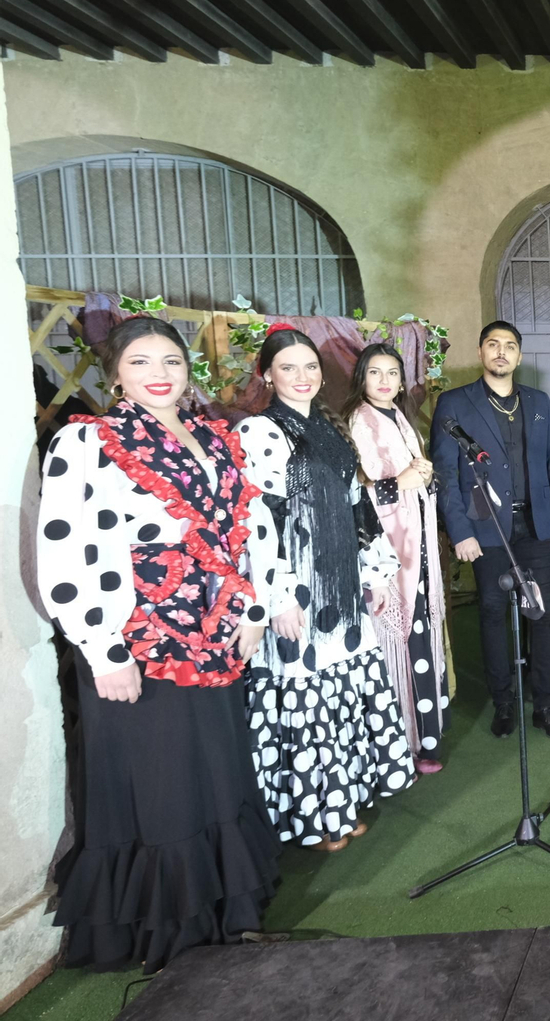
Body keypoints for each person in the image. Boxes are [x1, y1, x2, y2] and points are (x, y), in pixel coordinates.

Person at [35, 316, 278, 972]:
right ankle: (174, 937)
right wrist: (101, 647)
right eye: (140, 361)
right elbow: (60, 554)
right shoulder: (89, 442)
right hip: (137, 643)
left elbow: (247, 529)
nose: (159, 372)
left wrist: (256, 605)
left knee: (216, 775)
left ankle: (229, 918)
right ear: (115, 373)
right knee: (164, 787)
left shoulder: (215, 435)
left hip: (217, 636)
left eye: (170, 358)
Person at [239, 325, 414, 853]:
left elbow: (358, 506)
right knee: (307, 703)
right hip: (298, 591)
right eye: (288, 368)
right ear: (266, 375)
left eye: (310, 366)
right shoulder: (260, 432)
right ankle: (314, 819)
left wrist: (379, 570)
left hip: (343, 583)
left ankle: (342, 803)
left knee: (342, 698)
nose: (302, 377)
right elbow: (257, 522)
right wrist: (278, 596)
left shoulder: (331, 427)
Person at [431, 321, 550, 741]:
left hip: (536, 527)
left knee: (542, 615)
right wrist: (460, 532)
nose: (501, 352)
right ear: (480, 352)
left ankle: (545, 704)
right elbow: (446, 475)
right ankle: (504, 701)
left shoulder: (539, 402)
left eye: (509, 346)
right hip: (485, 529)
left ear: (519, 356)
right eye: (493, 344)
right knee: (493, 613)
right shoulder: (455, 404)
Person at [344, 342, 450, 774]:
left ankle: (426, 735)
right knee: (402, 638)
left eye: (392, 372)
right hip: (387, 551)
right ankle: (401, 741)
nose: (385, 381)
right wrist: (403, 481)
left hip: (417, 543)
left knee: (421, 634)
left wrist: (425, 477)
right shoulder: (358, 421)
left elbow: (411, 477)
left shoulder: (400, 417)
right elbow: (358, 493)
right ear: (361, 379)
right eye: (375, 373)